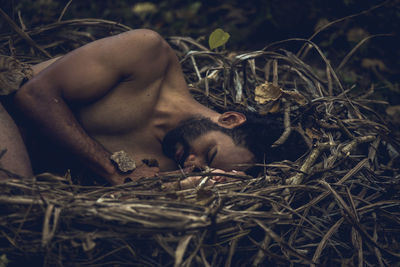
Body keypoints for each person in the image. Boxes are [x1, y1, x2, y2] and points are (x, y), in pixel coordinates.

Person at [0, 29, 286, 187]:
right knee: (16, 196)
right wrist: (112, 169)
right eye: (209, 154)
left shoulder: (163, 168)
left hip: (25, 159)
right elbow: (33, 95)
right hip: (6, 107)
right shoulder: (148, 57)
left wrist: (205, 184)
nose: (193, 165)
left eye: (205, 169)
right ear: (230, 119)